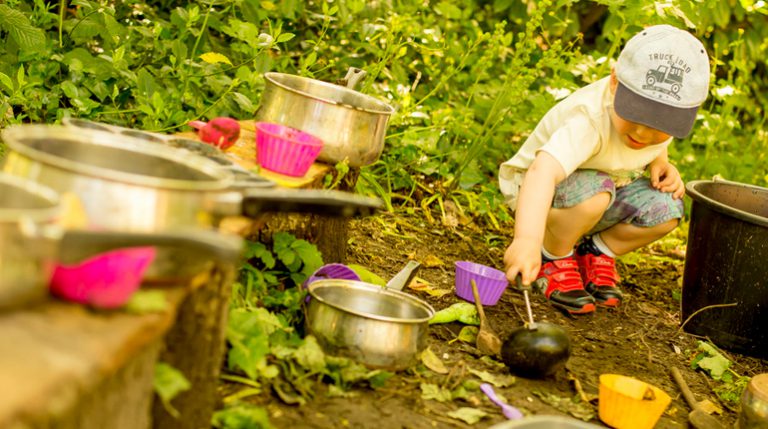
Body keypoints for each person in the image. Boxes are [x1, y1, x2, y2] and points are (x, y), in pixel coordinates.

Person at [499, 24, 710, 314]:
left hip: (600, 194)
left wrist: (661, 161)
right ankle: (552, 255)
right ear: (614, 83)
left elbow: (656, 142)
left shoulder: (659, 125)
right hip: (538, 199)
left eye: (659, 125)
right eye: (636, 115)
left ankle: (594, 252)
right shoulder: (589, 119)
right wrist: (526, 240)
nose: (643, 133)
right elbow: (541, 172)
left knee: (667, 207)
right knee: (596, 192)